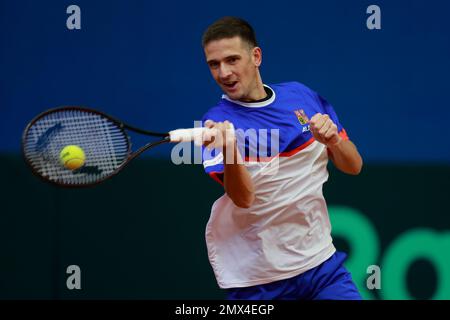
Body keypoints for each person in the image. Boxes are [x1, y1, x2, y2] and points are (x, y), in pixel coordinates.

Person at [199, 16, 363, 300]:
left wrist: (334, 140)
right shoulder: (216, 123)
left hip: (321, 266)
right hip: (259, 281)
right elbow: (243, 198)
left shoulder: (301, 96)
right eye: (214, 64)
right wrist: (229, 150)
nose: (223, 73)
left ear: (256, 56)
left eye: (232, 60)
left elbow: (354, 166)